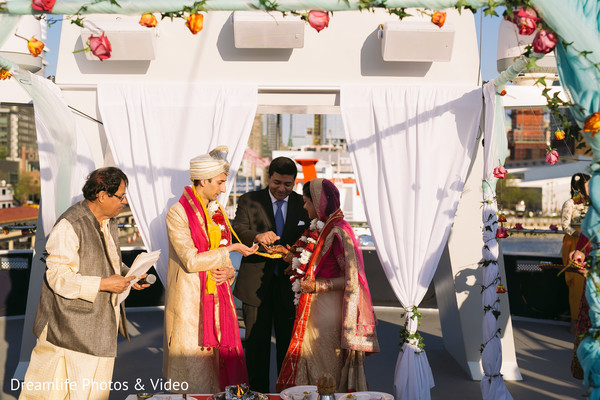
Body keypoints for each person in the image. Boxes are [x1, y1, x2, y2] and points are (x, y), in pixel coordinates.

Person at [19, 167, 149, 400]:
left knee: (92, 393)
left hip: (99, 327)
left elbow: (110, 262)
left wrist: (129, 275)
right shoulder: (70, 225)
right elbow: (58, 277)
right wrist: (104, 284)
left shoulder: (108, 222)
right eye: (120, 196)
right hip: (68, 330)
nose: (124, 201)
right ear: (101, 195)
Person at [163, 146, 258, 393]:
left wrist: (230, 272)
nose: (224, 189)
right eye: (220, 182)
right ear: (203, 181)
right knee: (193, 372)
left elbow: (221, 253)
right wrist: (233, 249)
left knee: (219, 373)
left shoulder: (216, 211)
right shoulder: (178, 214)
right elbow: (192, 261)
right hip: (190, 306)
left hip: (218, 301)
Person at [271, 178, 379, 392]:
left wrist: (318, 287)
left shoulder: (339, 231)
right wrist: (288, 255)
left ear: (319, 202)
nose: (304, 206)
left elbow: (352, 278)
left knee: (325, 367)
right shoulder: (321, 227)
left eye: (306, 201)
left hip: (328, 315)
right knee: (308, 364)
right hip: (312, 310)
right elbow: (310, 261)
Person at [232, 157, 310, 392]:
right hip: (255, 286)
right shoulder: (249, 200)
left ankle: (287, 394)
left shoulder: (302, 204)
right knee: (256, 347)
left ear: (295, 183)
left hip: (290, 288)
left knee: (289, 349)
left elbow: (310, 238)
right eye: (277, 182)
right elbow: (238, 228)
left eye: (288, 184)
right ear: (269, 177)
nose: (282, 189)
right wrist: (257, 236)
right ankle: (257, 395)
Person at [561, 172, 591, 334]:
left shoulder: (592, 204)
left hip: (591, 244)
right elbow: (566, 226)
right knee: (576, 284)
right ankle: (575, 320)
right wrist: (581, 235)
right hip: (574, 244)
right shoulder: (570, 204)